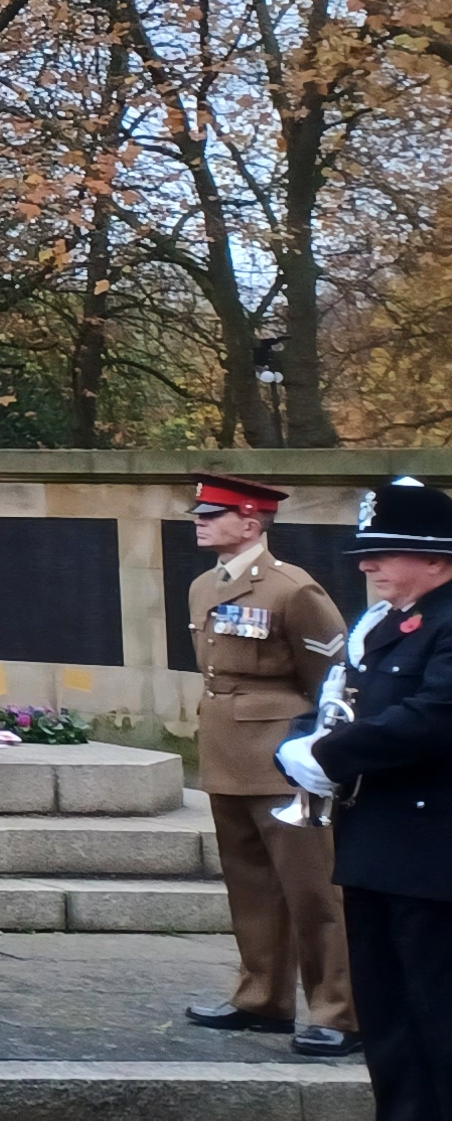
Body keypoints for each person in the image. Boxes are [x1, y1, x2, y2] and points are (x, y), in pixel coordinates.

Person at [171, 473, 357, 1050]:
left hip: (281, 756)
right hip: (226, 753)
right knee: (250, 885)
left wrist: (314, 747)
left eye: (213, 514)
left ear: (251, 523)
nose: (199, 521)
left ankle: (337, 1011)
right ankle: (262, 997)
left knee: (312, 890)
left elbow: (332, 677)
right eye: (200, 514)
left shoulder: (291, 590)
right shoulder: (204, 586)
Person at [286, 480, 452, 1119]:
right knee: (388, 1022)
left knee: (437, 1017)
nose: (366, 563)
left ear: (436, 559)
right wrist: (300, 743)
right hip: (376, 849)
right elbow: (342, 701)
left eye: (384, 551)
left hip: (434, 860)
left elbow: (435, 716)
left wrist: (328, 758)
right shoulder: (385, 626)